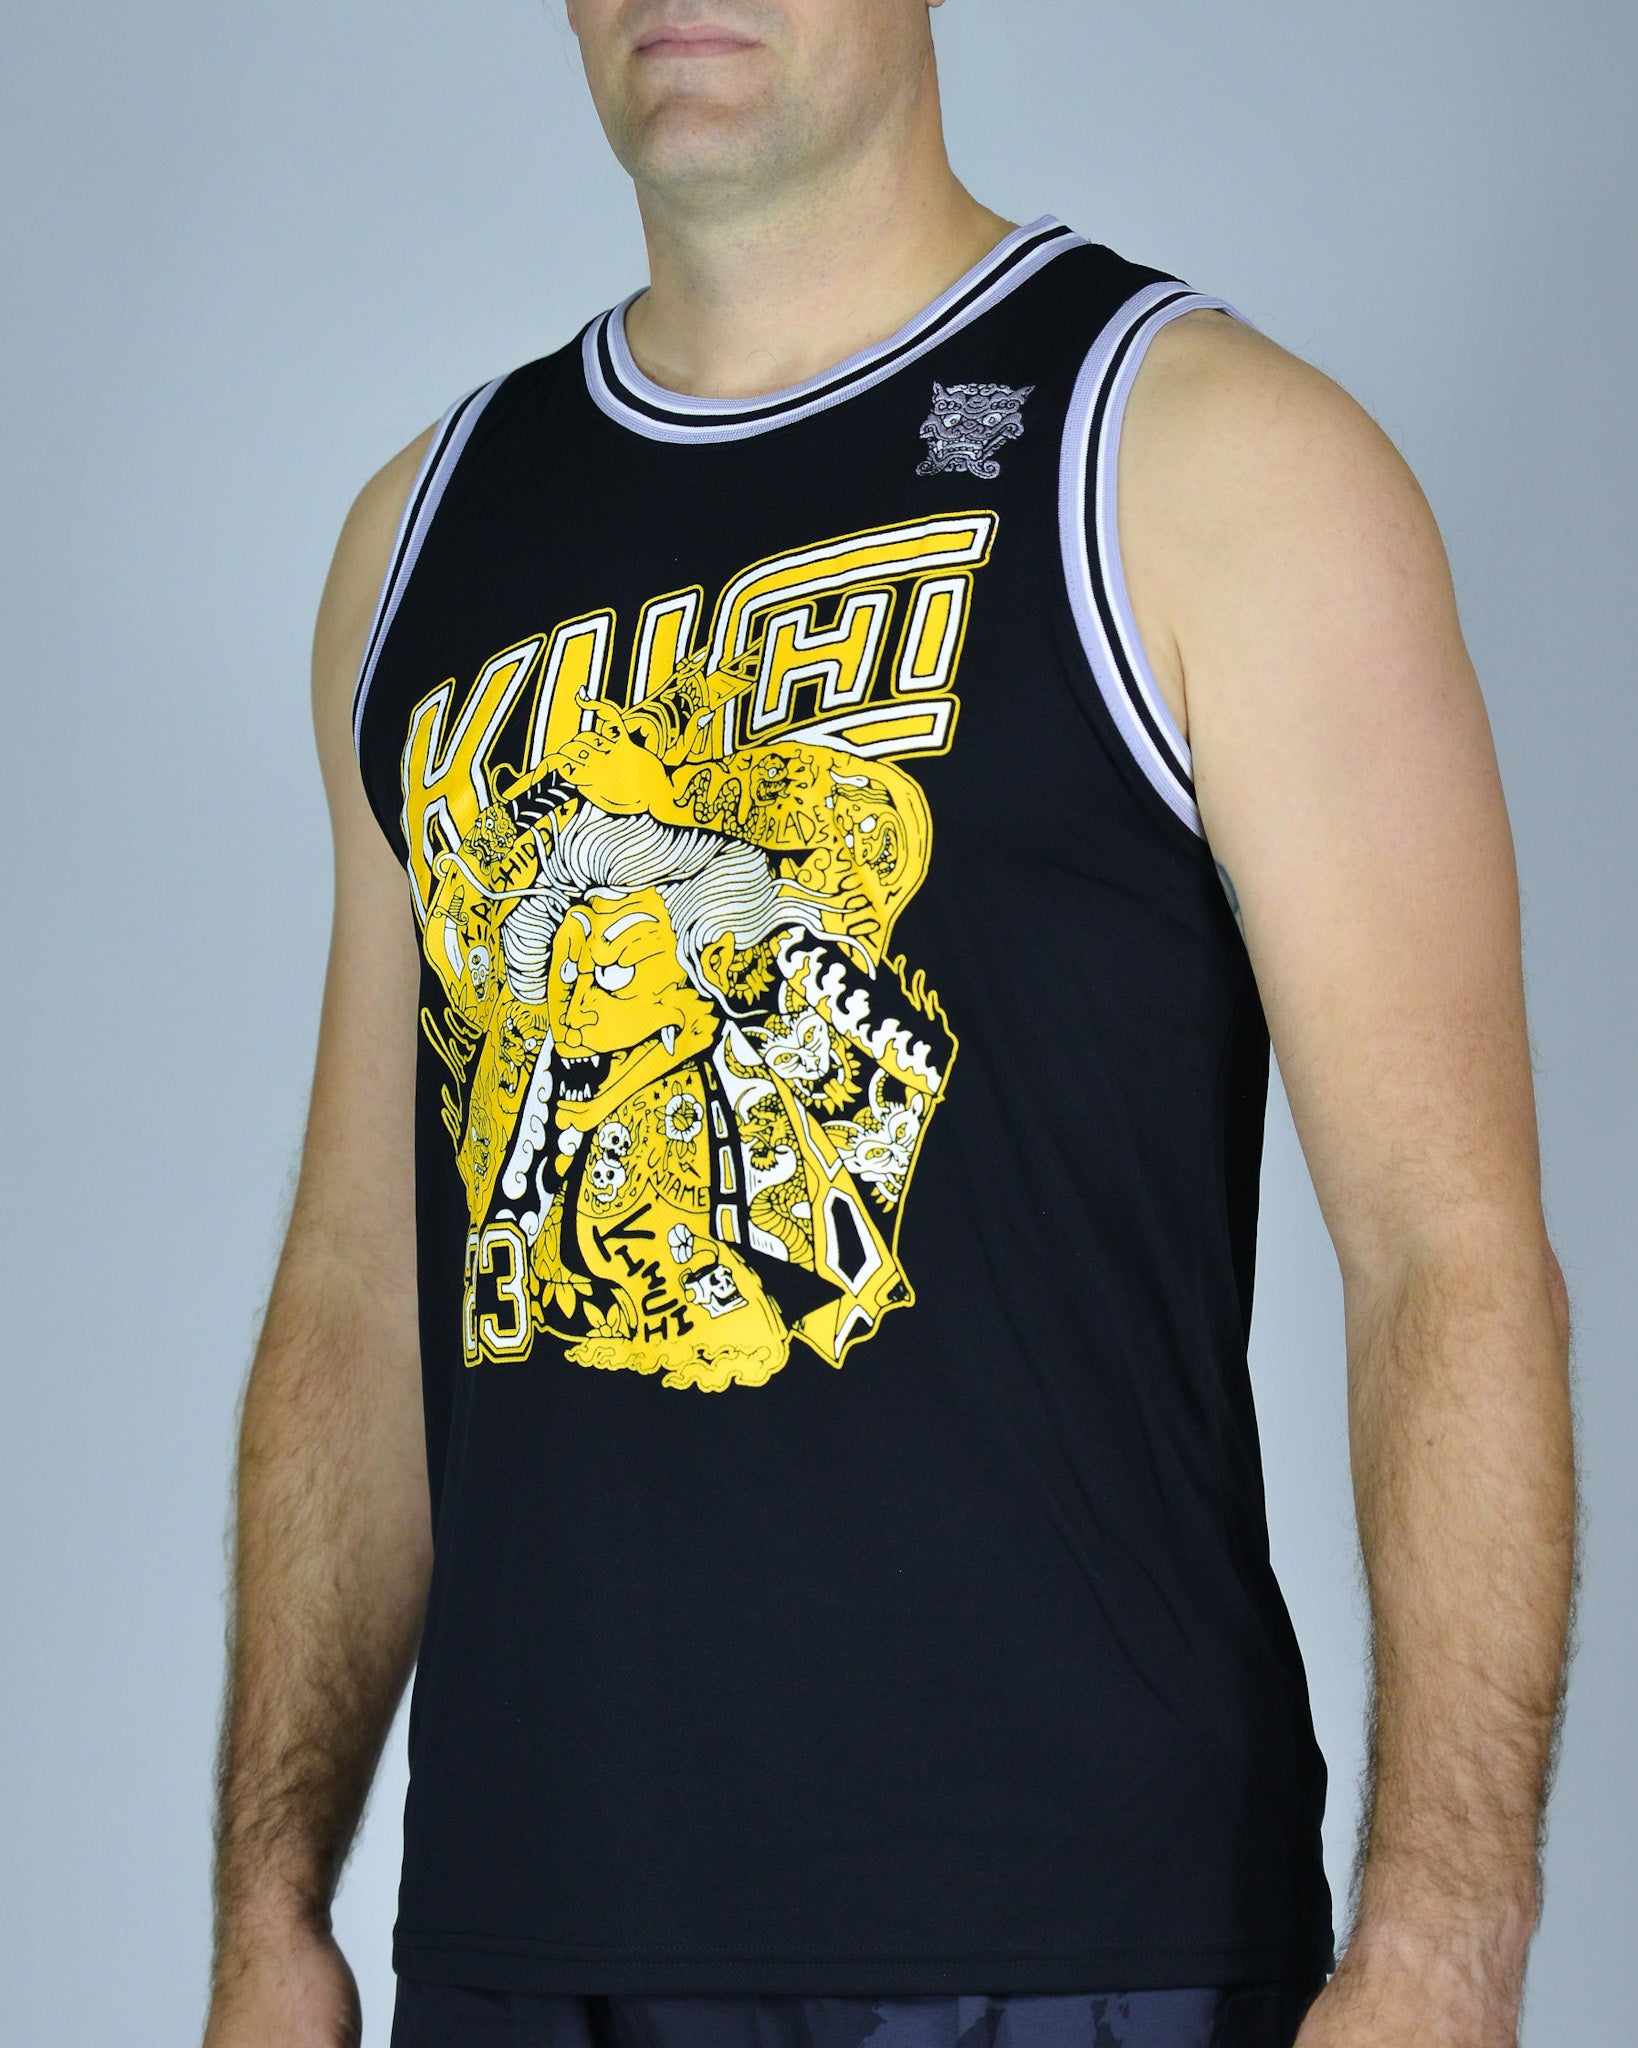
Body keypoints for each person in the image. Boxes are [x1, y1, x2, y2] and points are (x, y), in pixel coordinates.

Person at [202, 5, 1575, 2046]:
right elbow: (358, 1283)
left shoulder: (1206, 458)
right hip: (522, 1945)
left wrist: (1443, 1950)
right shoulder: (418, 539)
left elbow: (1444, 1249)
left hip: (1075, 1947)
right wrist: (269, 1908)